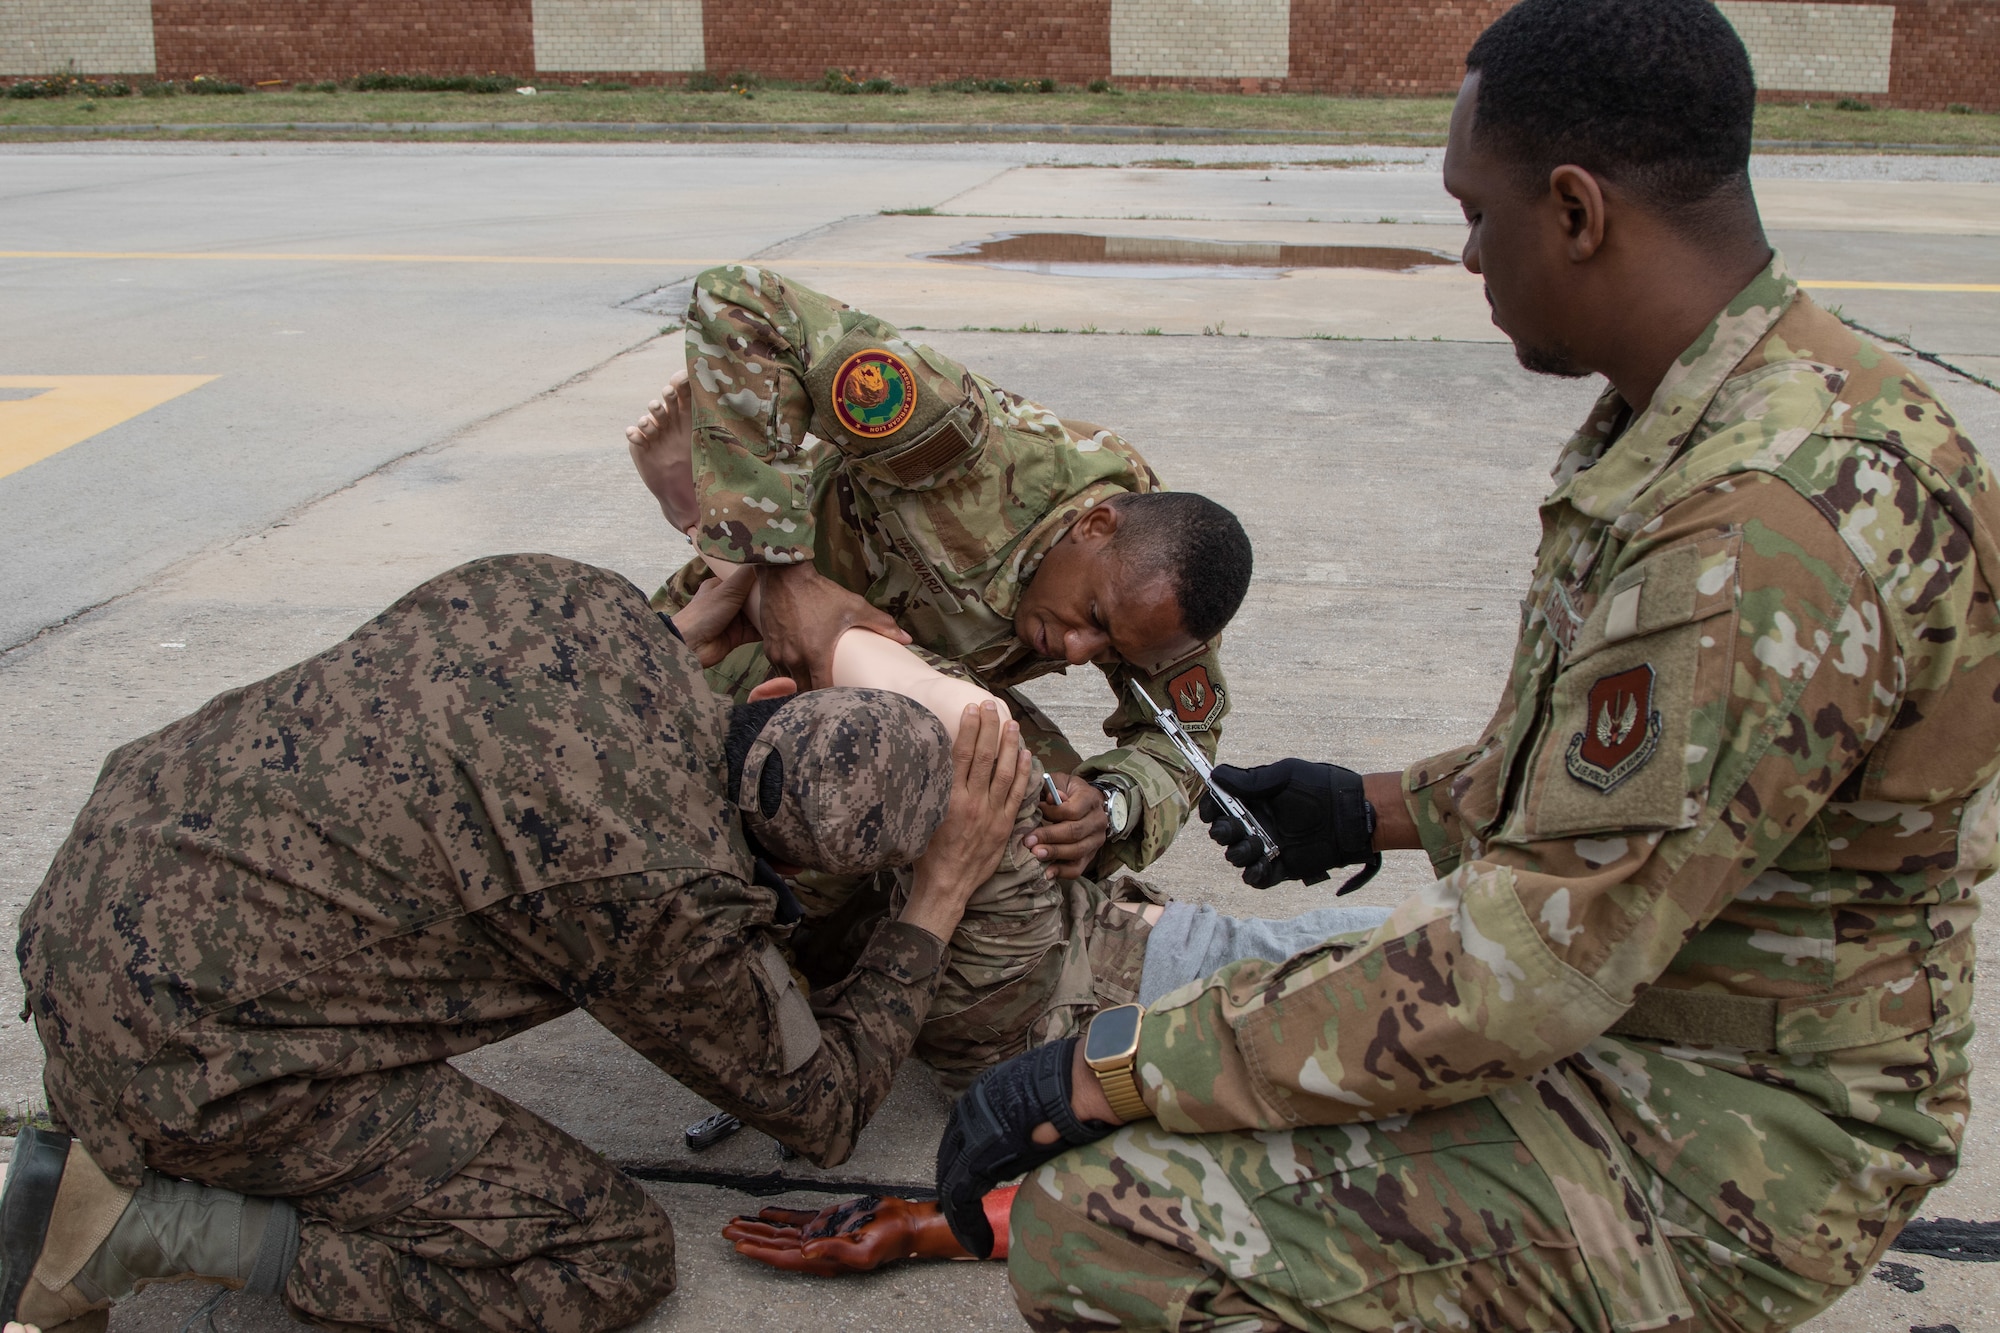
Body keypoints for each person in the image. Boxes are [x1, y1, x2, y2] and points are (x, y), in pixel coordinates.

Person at [935, 3, 1994, 1330]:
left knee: (1103, 1226)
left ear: (1575, 211)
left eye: (1478, 211)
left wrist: (1114, 1069)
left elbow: (1522, 973)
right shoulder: (1736, 413)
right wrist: (1362, 804)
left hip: (1731, 1146)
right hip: (1650, 1020)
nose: (1466, 250)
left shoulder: (1754, 530)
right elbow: (1602, 796)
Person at [0, 552, 1033, 1333]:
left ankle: (121, 1109)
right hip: (183, 1040)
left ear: (775, 697)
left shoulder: (572, 594)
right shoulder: (666, 902)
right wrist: (932, 899)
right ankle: (135, 1226)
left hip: (100, 881)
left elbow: (550, 719)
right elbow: (818, 1108)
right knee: (603, 1257)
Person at [629, 266, 1258, 1087]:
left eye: (1104, 648)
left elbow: (1185, 737)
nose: (1075, 650)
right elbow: (739, 300)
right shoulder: (965, 445)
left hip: (911, 681)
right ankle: (715, 519)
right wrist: (785, 574)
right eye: (1091, 621)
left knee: (1028, 803)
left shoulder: (1156, 596)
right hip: (753, 648)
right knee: (776, 890)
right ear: (1095, 525)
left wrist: (1112, 805)